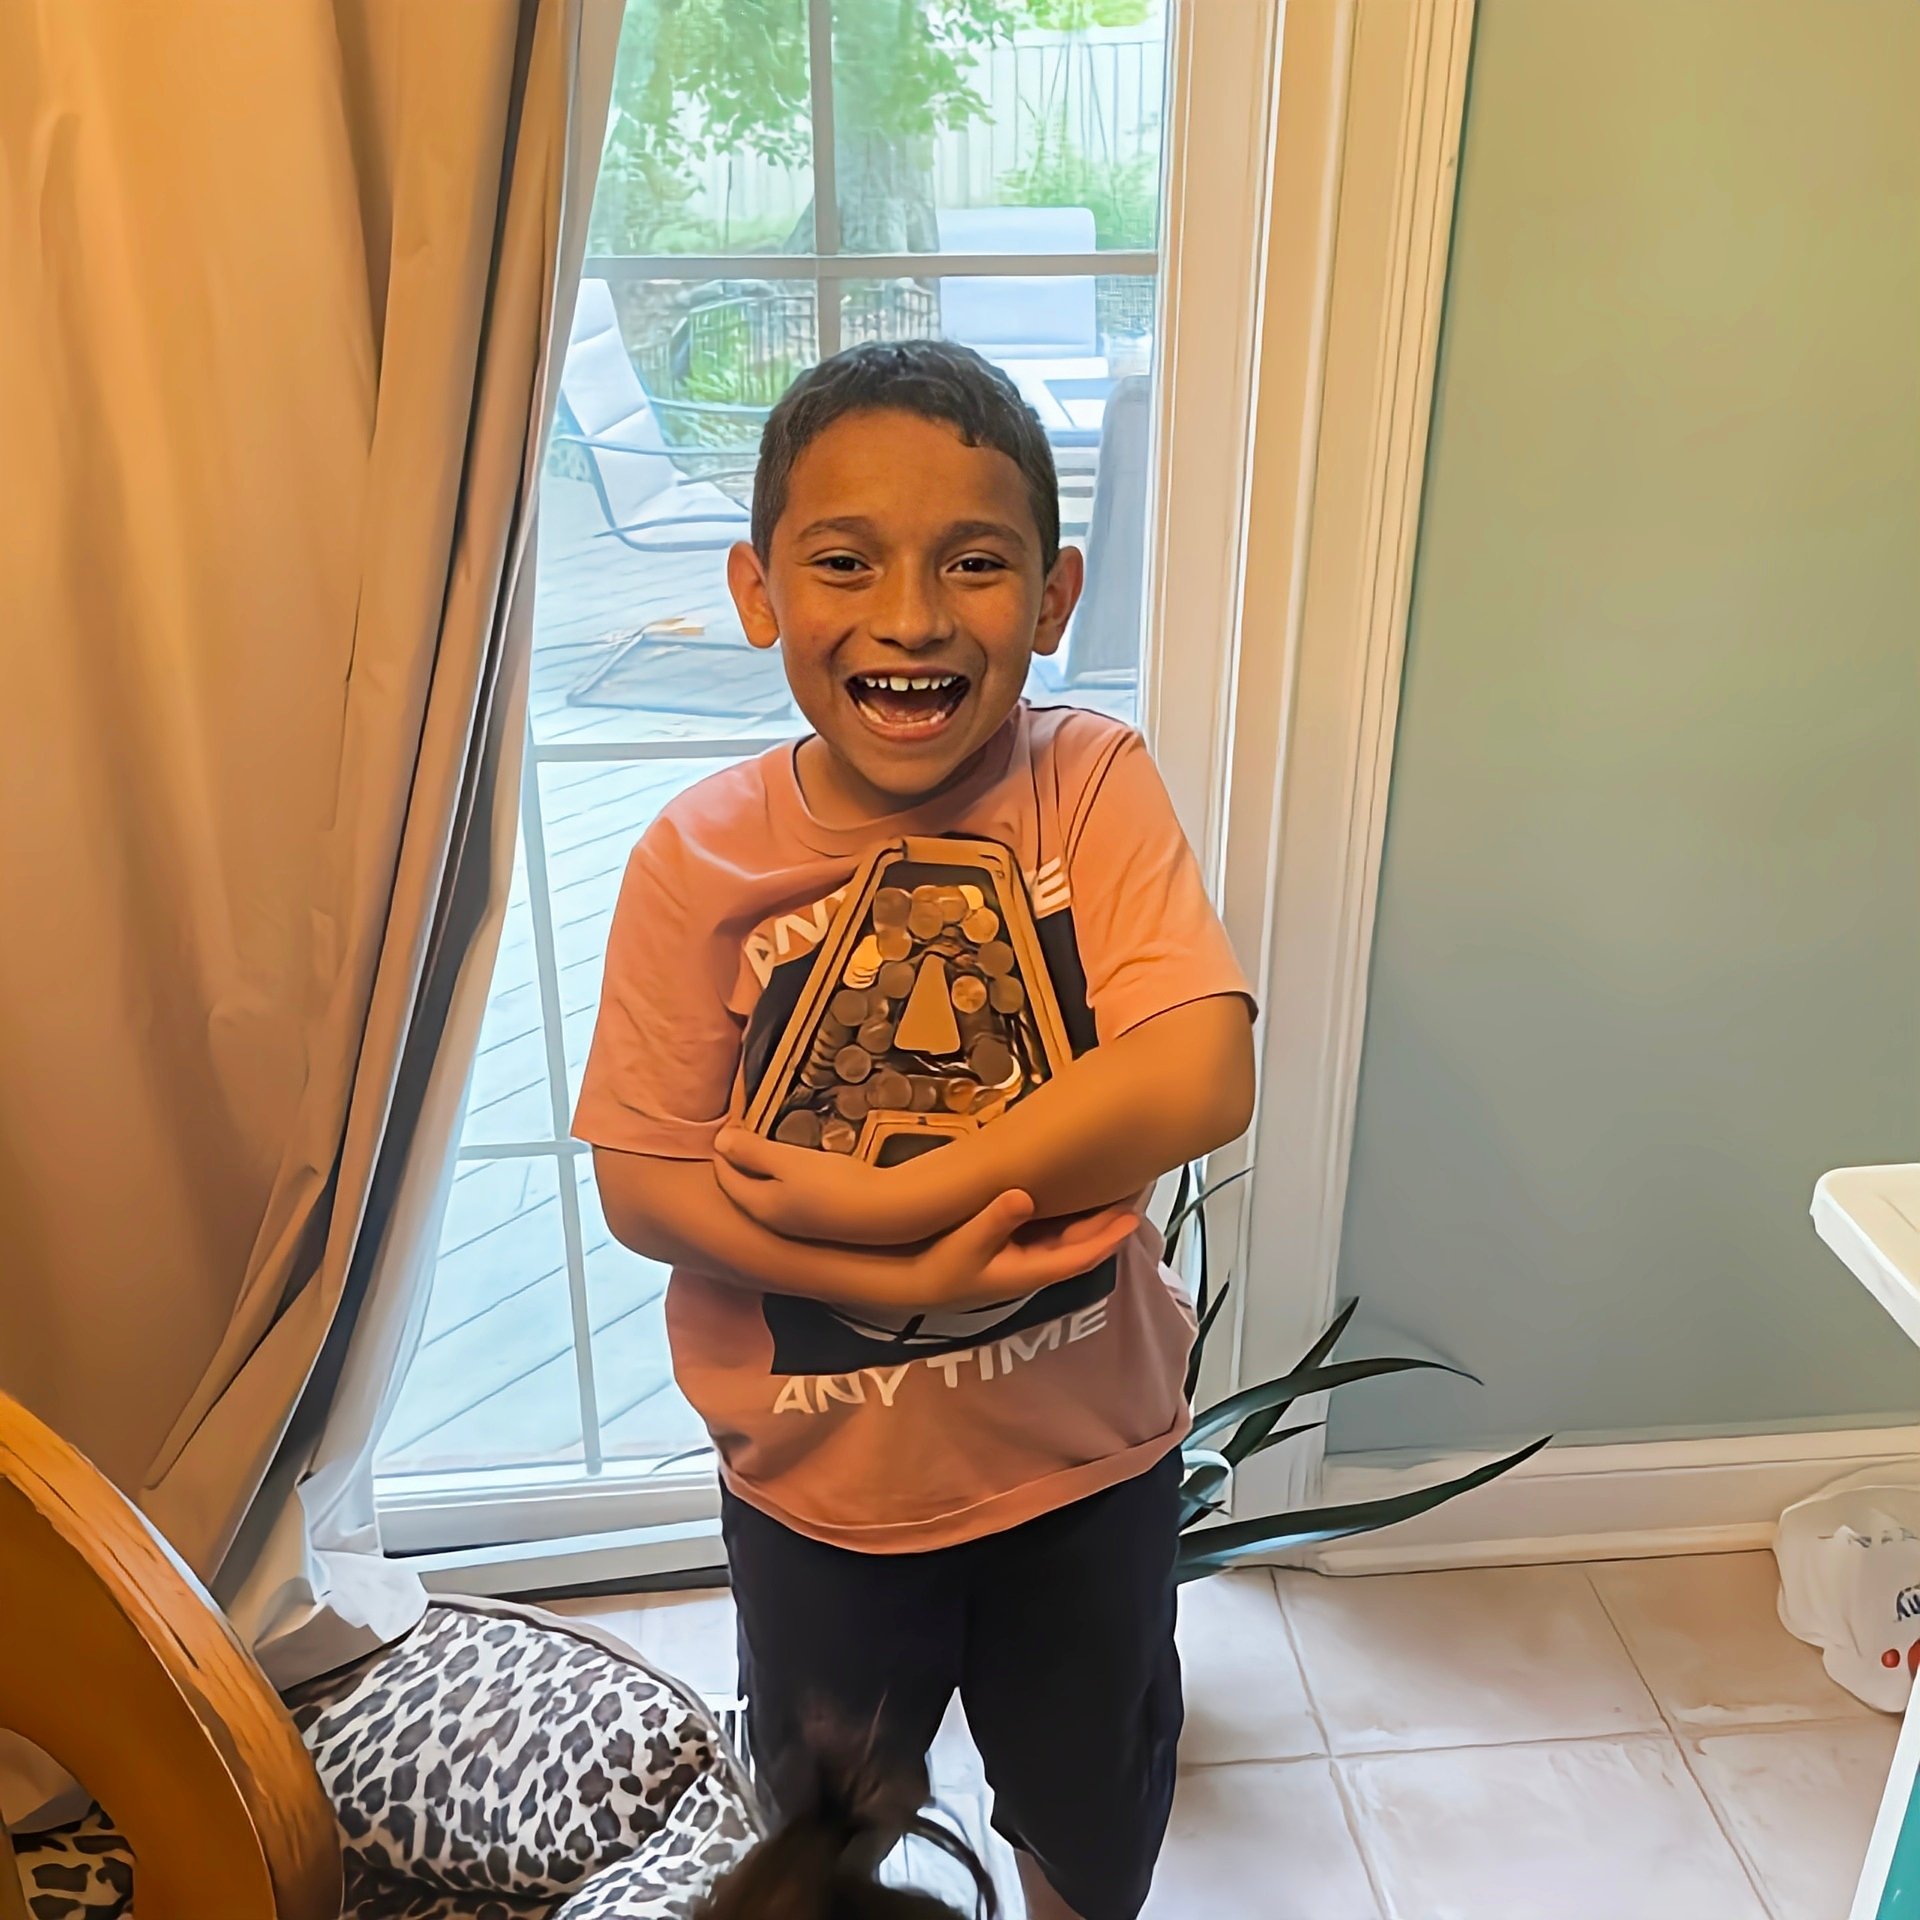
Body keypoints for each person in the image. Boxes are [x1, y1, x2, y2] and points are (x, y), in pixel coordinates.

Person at [575, 338, 1257, 1920]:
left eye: (975, 562)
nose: (912, 616)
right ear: (756, 591)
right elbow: (643, 1180)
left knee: (1090, 1816)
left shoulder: (1089, 782)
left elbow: (1199, 1073)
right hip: (822, 1501)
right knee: (822, 1842)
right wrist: (880, 1268)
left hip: (1090, 1474)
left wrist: (902, 1202)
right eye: (844, 561)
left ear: (1054, 596)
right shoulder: (695, 860)